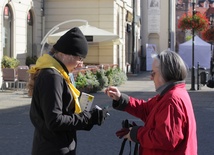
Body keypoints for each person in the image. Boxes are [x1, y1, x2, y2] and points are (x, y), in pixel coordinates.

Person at [29, 27, 108, 155]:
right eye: (80, 58)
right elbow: (55, 121)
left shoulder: (58, 74)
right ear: (65, 54)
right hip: (53, 149)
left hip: (53, 146)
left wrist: (90, 117)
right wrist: (89, 118)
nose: (81, 64)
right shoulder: (52, 76)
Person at [105, 50, 197, 155]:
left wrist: (136, 133)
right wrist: (121, 98)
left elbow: (165, 139)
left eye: (153, 73)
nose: (151, 77)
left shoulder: (172, 99)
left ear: (166, 74)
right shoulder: (169, 95)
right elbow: (147, 109)